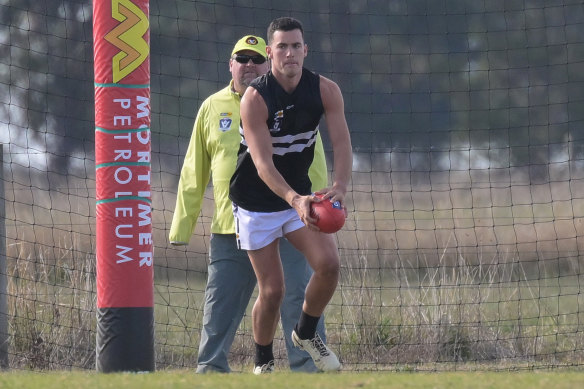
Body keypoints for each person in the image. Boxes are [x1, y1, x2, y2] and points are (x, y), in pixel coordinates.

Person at [169, 34, 329, 373]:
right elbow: (193, 170)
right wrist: (182, 227)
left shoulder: (291, 99)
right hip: (232, 225)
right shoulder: (211, 107)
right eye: (241, 59)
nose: (249, 65)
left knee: (294, 297)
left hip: (289, 220)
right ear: (231, 65)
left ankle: (306, 372)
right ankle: (211, 371)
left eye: (255, 59)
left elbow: (311, 162)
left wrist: (316, 209)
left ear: (267, 62)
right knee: (220, 307)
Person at [229, 17, 352, 374]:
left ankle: (306, 333)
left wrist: (340, 187)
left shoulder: (325, 90)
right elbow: (264, 164)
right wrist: (295, 200)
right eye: (281, 47)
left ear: (305, 50)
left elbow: (342, 143)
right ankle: (263, 361)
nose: (290, 53)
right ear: (270, 53)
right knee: (273, 291)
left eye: (296, 46)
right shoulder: (255, 99)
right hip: (256, 201)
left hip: (297, 198)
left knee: (329, 265)